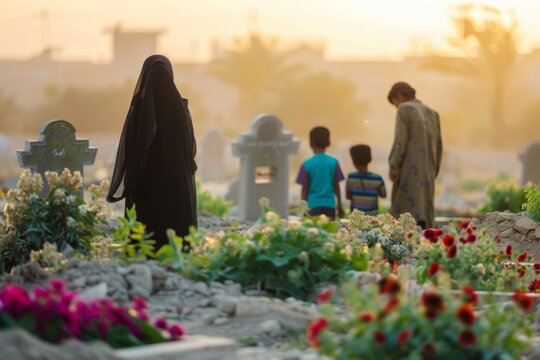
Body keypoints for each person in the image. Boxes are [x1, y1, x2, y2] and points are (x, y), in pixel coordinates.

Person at [107, 54, 197, 250]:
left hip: (147, 184)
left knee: (146, 233)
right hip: (176, 185)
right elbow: (190, 151)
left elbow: (130, 150)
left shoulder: (139, 108)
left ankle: (144, 251)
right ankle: (178, 251)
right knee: (177, 237)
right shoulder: (180, 108)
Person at [387, 82, 442, 229]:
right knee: (425, 220)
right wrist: (432, 172)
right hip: (428, 175)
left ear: (398, 97)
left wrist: (393, 168)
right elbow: (439, 147)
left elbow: (400, 142)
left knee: (405, 222)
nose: (396, 106)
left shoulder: (404, 109)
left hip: (409, 174)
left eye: (395, 103)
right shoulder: (432, 113)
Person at [296, 126, 345, 219]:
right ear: (328, 143)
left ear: (310, 143)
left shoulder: (307, 164)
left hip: (312, 206)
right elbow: (336, 186)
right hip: (329, 206)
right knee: (329, 232)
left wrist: (303, 208)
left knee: (314, 232)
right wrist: (339, 205)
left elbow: (304, 189)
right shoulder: (334, 162)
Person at [346, 144, 386, 215]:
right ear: (369, 159)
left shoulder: (351, 177)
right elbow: (383, 195)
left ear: (354, 161)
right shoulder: (377, 178)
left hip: (356, 218)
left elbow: (348, 196)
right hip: (372, 217)